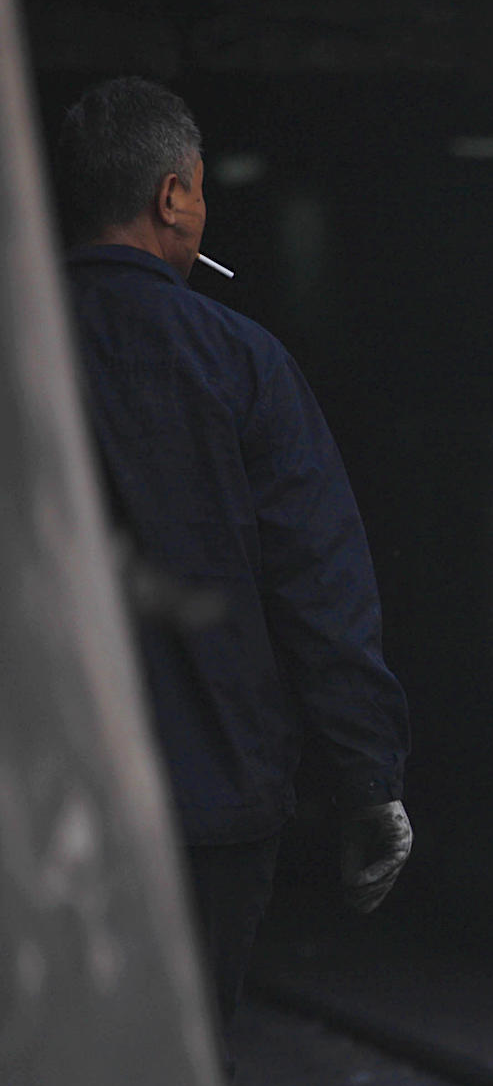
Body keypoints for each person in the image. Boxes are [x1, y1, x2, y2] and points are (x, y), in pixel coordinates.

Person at [56, 77, 412, 1027]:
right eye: (202, 188)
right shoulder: (245, 364)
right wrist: (367, 782)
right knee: (187, 1068)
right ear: (174, 196)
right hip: (211, 808)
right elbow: (320, 587)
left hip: (38, 808)